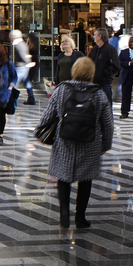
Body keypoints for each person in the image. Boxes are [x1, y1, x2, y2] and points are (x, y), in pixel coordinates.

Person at [41, 56, 114, 230]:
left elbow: (47, 115)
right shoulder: (98, 94)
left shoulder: (61, 90)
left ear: (74, 71)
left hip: (64, 140)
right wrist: (106, 144)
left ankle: (64, 214)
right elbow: (108, 124)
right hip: (90, 142)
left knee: (63, 177)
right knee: (85, 179)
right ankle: (80, 217)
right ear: (91, 73)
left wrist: (40, 131)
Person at [88, 29, 119, 101]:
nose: (93, 37)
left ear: (99, 37)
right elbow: (89, 61)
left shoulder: (110, 49)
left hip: (105, 83)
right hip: (93, 82)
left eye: (95, 35)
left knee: (106, 105)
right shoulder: (95, 49)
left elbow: (115, 65)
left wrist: (104, 73)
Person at [11, 30, 36, 105]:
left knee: (14, 82)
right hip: (23, 66)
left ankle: (11, 99)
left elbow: (23, 55)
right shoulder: (21, 43)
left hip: (21, 67)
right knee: (27, 83)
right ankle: (31, 98)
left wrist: (28, 62)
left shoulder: (19, 45)